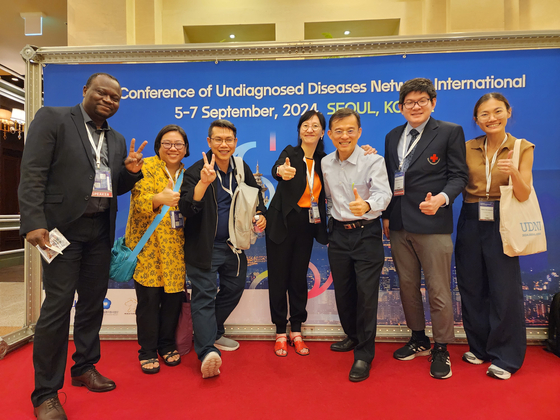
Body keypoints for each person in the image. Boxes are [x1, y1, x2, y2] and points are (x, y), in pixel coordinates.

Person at [18, 73, 147, 420]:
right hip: (60, 233)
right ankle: (45, 392)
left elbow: (110, 186)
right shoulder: (54, 118)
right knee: (57, 308)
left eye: (116, 97)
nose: (109, 100)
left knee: (92, 304)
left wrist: (131, 174)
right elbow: (32, 173)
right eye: (102, 93)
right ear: (85, 91)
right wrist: (33, 221)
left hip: (100, 233)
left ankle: (84, 367)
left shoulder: (117, 140)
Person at [382, 77, 468, 379]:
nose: (415, 107)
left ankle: (441, 347)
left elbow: (459, 175)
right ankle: (418, 338)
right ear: (401, 107)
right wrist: (388, 218)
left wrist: (443, 199)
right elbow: (393, 180)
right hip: (399, 224)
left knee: (438, 288)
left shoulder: (449, 132)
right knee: (406, 285)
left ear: (432, 103)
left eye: (421, 101)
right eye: (409, 103)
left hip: (433, 223)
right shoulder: (393, 136)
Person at [179, 119, 267, 379]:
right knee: (204, 295)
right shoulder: (197, 170)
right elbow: (186, 208)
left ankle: (212, 332)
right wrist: (203, 184)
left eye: (228, 140)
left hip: (234, 246)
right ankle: (207, 351)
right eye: (218, 139)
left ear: (235, 143)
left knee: (234, 289)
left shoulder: (241, 168)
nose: (224, 144)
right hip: (203, 247)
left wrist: (261, 214)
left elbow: (256, 197)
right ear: (209, 142)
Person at [456, 93, 532, 380]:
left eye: (497, 111)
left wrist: (513, 171)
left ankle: (507, 356)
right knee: (471, 285)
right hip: (471, 217)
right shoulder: (467, 147)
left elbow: (524, 194)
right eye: (484, 114)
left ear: (508, 112)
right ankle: (480, 347)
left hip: (504, 216)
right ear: (476, 120)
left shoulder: (522, 147)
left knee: (504, 289)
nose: (491, 118)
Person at [322, 108, 392, 382]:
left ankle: (364, 354)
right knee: (344, 293)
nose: (344, 136)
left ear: (359, 132)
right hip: (339, 235)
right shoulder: (326, 163)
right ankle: (352, 336)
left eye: (350, 130)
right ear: (330, 135)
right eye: (338, 131)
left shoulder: (372, 160)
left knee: (366, 296)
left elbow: (384, 194)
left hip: (366, 234)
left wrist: (367, 205)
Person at [125, 124, 190, 374]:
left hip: (176, 249)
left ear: (185, 149)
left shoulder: (189, 173)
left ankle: (166, 344)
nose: (173, 148)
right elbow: (139, 199)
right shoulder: (147, 166)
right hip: (148, 249)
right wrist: (157, 199)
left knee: (173, 300)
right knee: (149, 303)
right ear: (158, 146)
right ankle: (147, 350)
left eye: (178, 144)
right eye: (167, 143)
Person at [266, 110, 328, 357]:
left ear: (323, 132)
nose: (309, 129)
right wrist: (282, 172)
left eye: (315, 125)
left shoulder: (325, 160)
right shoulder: (290, 152)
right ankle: (280, 332)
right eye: (305, 125)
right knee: (279, 278)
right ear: (299, 130)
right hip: (282, 223)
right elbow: (276, 169)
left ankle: (297, 330)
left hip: (307, 224)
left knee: (299, 279)